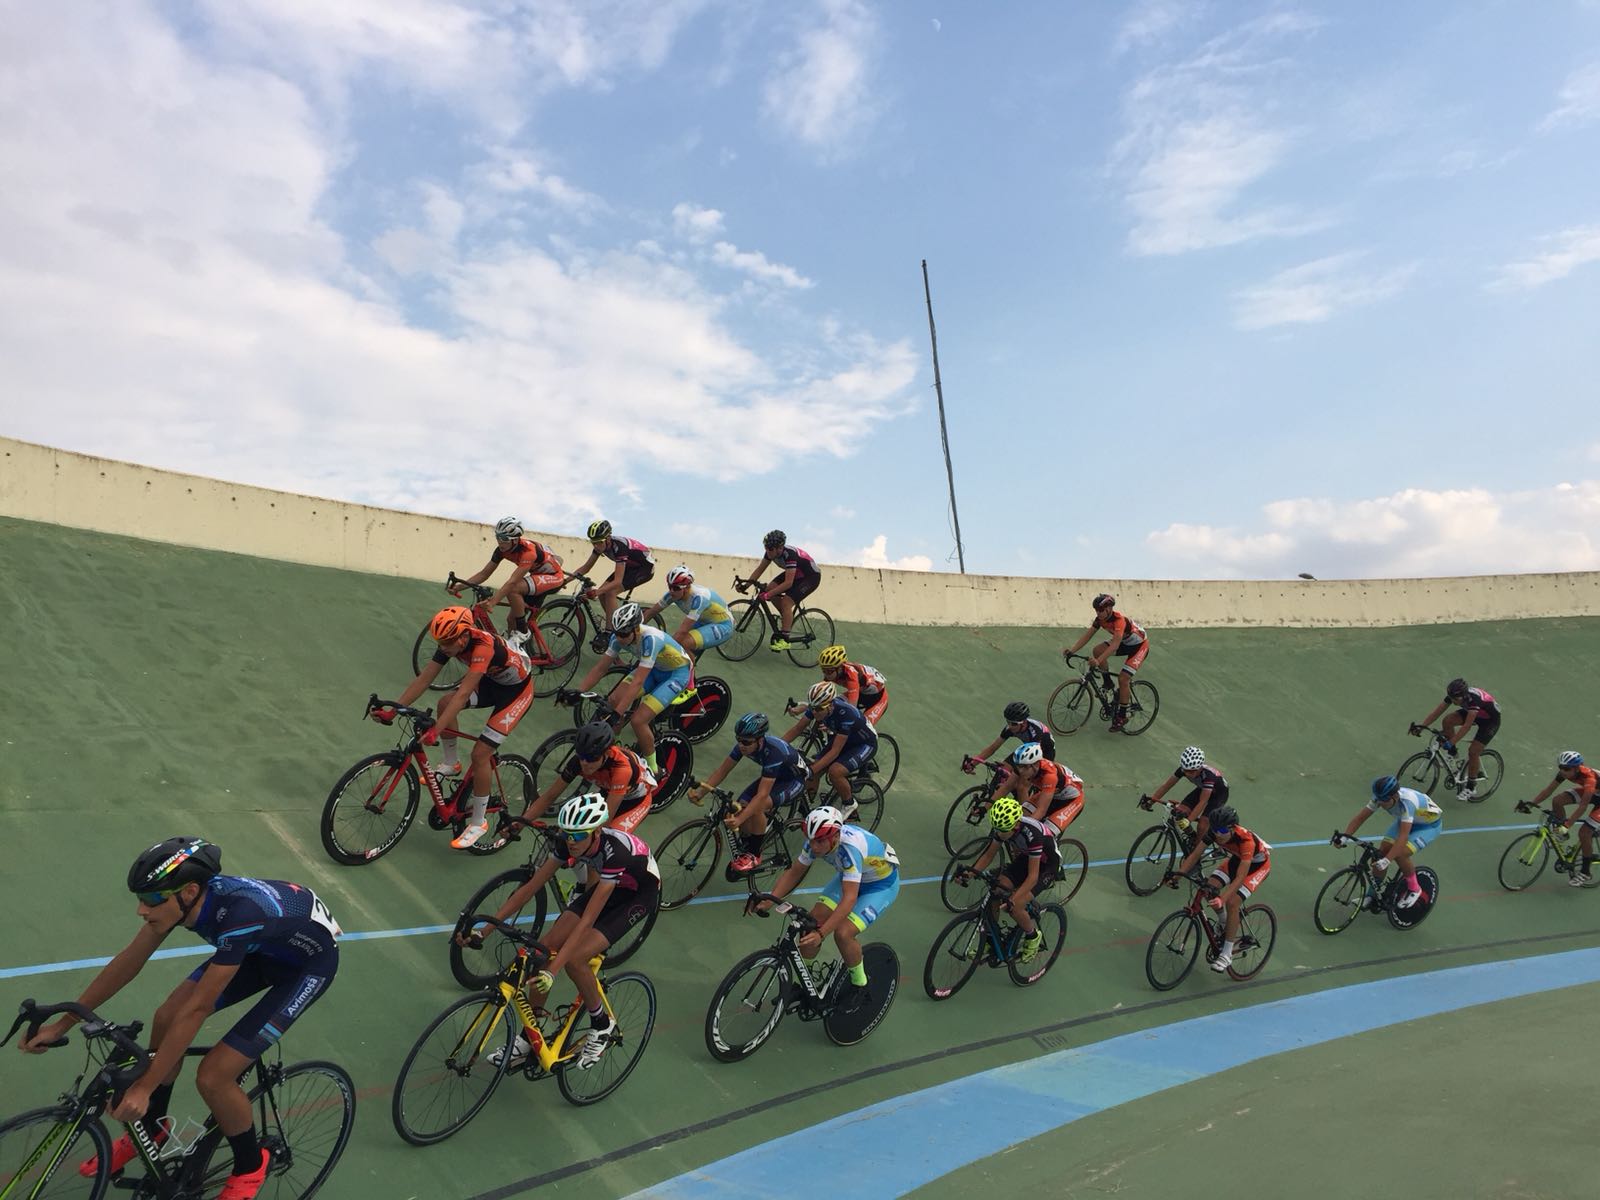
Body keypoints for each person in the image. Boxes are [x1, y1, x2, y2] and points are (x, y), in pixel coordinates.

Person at [21, 838, 339, 1200]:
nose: (142, 909)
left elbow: (198, 1010)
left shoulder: (238, 916)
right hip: (258, 949)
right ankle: (154, 1128)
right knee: (166, 1016)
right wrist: (62, 1024)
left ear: (188, 891)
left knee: (214, 1076)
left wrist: (142, 1086)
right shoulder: (184, 902)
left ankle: (251, 1167)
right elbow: (128, 963)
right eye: (140, 898)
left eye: (151, 900)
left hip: (306, 967)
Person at [472, 794, 659, 1071]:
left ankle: (601, 1023)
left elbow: (587, 921)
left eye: (578, 835)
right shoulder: (568, 844)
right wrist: (485, 930)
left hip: (636, 896)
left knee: (574, 960)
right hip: (608, 887)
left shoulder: (614, 852)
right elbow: (530, 887)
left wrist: (553, 971)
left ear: (595, 832)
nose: (571, 841)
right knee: (542, 949)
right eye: (567, 834)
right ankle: (529, 1039)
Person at [381, 605, 535, 848]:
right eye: (439, 642)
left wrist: (436, 730)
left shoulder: (483, 647)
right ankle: (451, 763)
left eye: (446, 642)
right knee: (444, 702)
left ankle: (478, 822)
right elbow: (424, 679)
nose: (442, 648)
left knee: (480, 754)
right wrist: (393, 709)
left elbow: (463, 694)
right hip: (493, 683)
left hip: (516, 694)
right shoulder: (451, 642)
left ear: (464, 637)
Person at [755, 806, 899, 1012]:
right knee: (809, 926)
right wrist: (770, 899)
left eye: (820, 841)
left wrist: (822, 934)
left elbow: (849, 900)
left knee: (843, 933)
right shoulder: (815, 841)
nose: (814, 846)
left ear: (835, 837)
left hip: (880, 887)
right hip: (849, 879)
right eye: (811, 839)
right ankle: (810, 985)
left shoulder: (850, 850)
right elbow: (795, 872)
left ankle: (860, 985)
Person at [565, 603, 690, 773]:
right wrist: (579, 692)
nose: (619, 638)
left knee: (638, 720)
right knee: (613, 701)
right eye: (617, 633)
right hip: (654, 669)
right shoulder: (617, 639)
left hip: (676, 674)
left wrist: (618, 714)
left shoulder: (650, 640)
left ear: (636, 629)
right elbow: (600, 669)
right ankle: (611, 750)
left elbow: (638, 681)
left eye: (623, 633)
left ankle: (654, 770)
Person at [688, 712, 811, 874]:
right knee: (741, 806)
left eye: (746, 741)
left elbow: (761, 797)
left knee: (758, 807)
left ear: (760, 739)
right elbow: (722, 770)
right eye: (738, 740)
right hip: (775, 776)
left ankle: (754, 854)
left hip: (793, 781)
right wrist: (701, 792)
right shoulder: (744, 745)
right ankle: (749, 840)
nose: (741, 745)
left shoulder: (773, 753)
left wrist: (739, 819)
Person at [955, 797, 1059, 964]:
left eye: (1005, 830)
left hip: (1046, 867)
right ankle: (989, 942)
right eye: (998, 829)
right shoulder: (1003, 826)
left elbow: (1033, 877)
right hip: (1027, 858)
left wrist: (1014, 899)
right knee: (995, 892)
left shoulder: (1033, 834)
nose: (1001, 834)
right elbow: (988, 855)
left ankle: (1032, 936)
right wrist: (970, 874)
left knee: (1015, 907)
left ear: (1017, 824)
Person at [1168, 805, 1270, 972]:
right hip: (1236, 860)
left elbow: (1240, 877)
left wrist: (1222, 899)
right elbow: (1194, 855)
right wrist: (1176, 876)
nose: (1218, 834)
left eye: (1222, 830)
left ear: (1232, 828)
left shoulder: (1246, 842)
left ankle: (1227, 954)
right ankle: (1224, 922)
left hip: (1257, 867)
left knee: (1232, 902)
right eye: (1215, 830)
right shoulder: (1214, 833)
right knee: (1208, 887)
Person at [451, 517, 565, 647]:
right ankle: (515, 651)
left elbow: (512, 582)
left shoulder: (528, 552)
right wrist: (459, 587)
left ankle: (523, 632)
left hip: (553, 576)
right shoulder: (501, 550)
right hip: (537, 576)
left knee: (513, 588)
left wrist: (492, 602)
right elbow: (484, 573)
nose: (500, 542)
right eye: (498, 537)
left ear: (515, 539)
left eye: (504, 538)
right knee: (511, 619)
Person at [523, 722, 655, 835]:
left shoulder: (622, 770)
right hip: (608, 791)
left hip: (636, 801)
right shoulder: (578, 762)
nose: (584, 763)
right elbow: (549, 797)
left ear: (607, 753)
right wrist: (520, 822)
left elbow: (605, 820)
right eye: (581, 756)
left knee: (606, 839)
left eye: (592, 758)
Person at [1334, 775, 1443, 910]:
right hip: (1405, 821)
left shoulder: (1407, 803)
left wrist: (1387, 861)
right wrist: (1345, 837)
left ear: (1395, 797)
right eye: (1379, 800)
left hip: (1427, 826)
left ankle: (1414, 889)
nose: (1380, 804)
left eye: (1384, 801)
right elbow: (1360, 818)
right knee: (1381, 853)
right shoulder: (1379, 798)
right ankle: (1371, 896)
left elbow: (1403, 837)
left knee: (1401, 854)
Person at [783, 680, 876, 817]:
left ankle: (849, 804)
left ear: (830, 705)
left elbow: (835, 752)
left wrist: (811, 770)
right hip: (842, 739)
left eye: (819, 709)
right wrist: (778, 747)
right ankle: (806, 809)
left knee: (834, 772)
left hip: (863, 744)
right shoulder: (817, 707)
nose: (814, 712)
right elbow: (797, 729)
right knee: (814, 770)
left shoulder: (846, 714)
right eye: (812, 708)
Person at [1062, 593, 1149, 732]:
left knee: (1123, 678)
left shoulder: (1119, 620)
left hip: (1139, 646)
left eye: (1101, 610)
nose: (1098, 613)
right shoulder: (1099, 620)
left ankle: (1121, 717)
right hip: (1124, 642)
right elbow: (1087, 636)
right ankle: (1107, 682)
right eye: (1096, 610)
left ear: (1109, 609)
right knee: (1097, 650)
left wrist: (1098, 661)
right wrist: (1072, 650)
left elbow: (1114, 645)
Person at [1409, 678, 1501, 803]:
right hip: (1475, 714)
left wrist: (1451, 742)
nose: (1453, 702)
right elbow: (1436, 712)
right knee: (1448, 720)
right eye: (1451, 699)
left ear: (1463, 696)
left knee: (1473, 751)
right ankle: (1453, 754)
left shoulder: (1473, 701)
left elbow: (1466, 727)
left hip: (1490, 722)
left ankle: (1471, 786)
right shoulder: (1455, 696)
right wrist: (1421, 726)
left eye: (1455, 700)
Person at [1526, 750, 1599, 886]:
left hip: (1593, 791)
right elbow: (1549, 790)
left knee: (1584, 833)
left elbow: (1583, 806)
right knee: (1558, 800)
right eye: (1560, 768)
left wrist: (1567, 825)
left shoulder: (1590, 778)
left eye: (1566, 769)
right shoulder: (1564, 773)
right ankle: (1562, 836)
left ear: (1576, 768)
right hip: (1595, 792)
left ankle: (1585, 872)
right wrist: (1531, 804)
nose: (1563, 771)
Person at [568, 520, 656, 631]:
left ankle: (611, 631)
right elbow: (586, 568)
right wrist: (565, 581)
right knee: (602, 593)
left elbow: (617, 582)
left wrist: (596, 591)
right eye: (593, 542)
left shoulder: (619, 547)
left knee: (610, 592)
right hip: (629, 566)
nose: (596, 546)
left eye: (599, 542)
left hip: (645, 568)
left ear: (608, 539)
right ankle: (616, 624)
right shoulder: (600, 546)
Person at [741, 529, 821, 651]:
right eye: (766, 548)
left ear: (780, 548)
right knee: (770, 588)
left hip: (810, 577)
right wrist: (746, 585)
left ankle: (785, 639)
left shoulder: (789, 554)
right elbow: (759, 570)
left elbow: (788, 583)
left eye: (770, 549)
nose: (768, 551)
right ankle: (786, 617)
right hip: (796, 574)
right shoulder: (770, 552)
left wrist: (768, 595)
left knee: (786, 602)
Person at [989, 742, 1086, 835]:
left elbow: (1041, 810)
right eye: (1018, 766)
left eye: (1023, 767)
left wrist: (1023, 827)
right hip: (1052, 794)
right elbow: (1006, 787)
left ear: (1034, 765)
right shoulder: (1024, 768)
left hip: (1071, 801)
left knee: (1044, 834)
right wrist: (984, 809)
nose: (1020, 771)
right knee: (1019, 817)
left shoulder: (1049, 776)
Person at [641, 565, 734, 658]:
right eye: (670, 586)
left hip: (723, 625)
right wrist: (635, 630)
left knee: (682, 643)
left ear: (687, 587)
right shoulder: (671, 595)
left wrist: (661, 650)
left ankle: (690, 672)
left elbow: (682, 631)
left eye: (676, 588)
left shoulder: (700, 598)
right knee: (679, 650)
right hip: (703, 621)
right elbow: (651, 613)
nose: (672, 591)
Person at [1141, 747, 1228, 831]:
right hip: (1202, 788)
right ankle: (1191, 836)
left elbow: (1203, 801)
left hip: (1219, 795)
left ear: (1199, 768)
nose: (1188, 774)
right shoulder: (1184, 770)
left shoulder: (1209, 776)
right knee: (1180, 812)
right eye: (1186, 770)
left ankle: (1198, 845)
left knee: (1202, 824)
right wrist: (1151, 801)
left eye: (1191, 771)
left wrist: (1188, 821)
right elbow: (1166, 786)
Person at [802, 644, 889, 727]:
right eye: (823, 670)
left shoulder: (852, 676)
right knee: (831, 706)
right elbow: (821, 697)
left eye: (829, 671)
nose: (826, 675)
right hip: (861, 693)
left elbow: (852, 709)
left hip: (878, 700)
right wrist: (803, 708)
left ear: (839, 668)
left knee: (862, 726)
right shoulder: (833, 672)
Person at [965, 701, 1057, 772]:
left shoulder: (1035, 732)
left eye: (1013, 723)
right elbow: (992, 748)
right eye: (1008, 722)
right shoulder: (1009, 729)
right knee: (1003, 769)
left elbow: (1033, 759)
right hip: (1028, 749)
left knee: (1023, 779)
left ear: (1023, 722)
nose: (1010, 726)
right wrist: (973, 763)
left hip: (1044, 753)